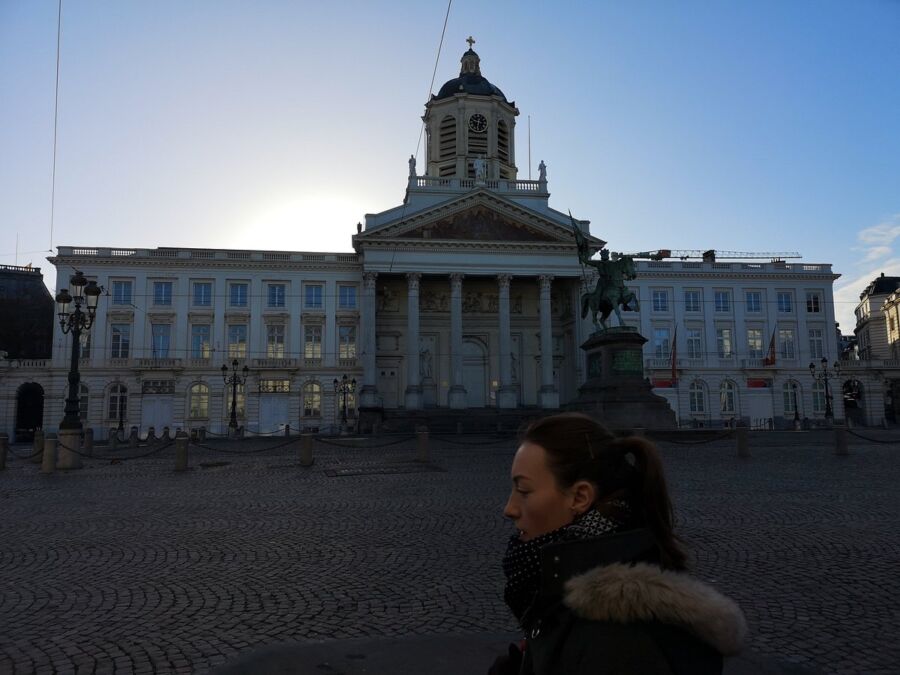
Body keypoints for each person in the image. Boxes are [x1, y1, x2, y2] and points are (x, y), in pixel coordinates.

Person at [490, 413, 746, 675]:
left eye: (524, 491)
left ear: (580, 497)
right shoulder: (564, 590)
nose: (509, 509)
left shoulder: (616, 642)